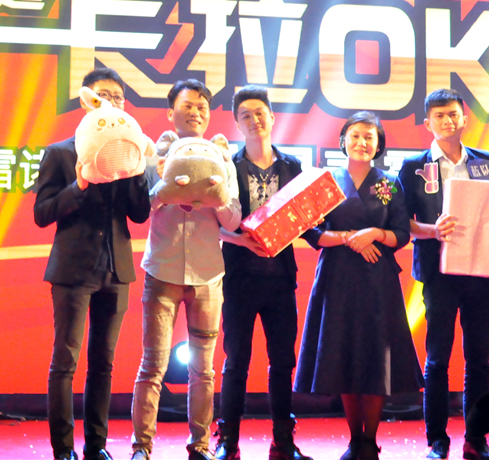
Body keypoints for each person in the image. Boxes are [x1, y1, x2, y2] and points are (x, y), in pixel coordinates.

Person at [34, 68, 151, 460]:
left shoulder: (130, 153)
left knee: (103, 364)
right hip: (73, 270)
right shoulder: (61, 153)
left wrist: (138, 172)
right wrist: (80, 184)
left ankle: (97, 447)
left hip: (116, 270)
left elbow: (139, 214)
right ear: (87, 102)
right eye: (103, 95)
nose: (112, 103)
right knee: (65, 362)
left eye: (118, 97)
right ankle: (63, 449)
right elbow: (42, 213)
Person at [295, 111, 422, 460]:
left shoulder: (389, 183)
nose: (362, 143)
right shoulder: (326, 181)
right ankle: (354, 439)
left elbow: (402, 234)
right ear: (342, 141)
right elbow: (312, 232)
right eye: (355, 136)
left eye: (369, 137)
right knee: (344, 357)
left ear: (379, 144)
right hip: (337, 281)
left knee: (376, 359)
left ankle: (370, 441)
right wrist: (352, 238)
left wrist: (376, 233)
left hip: (378, 283)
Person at [130, 80, 242, 460]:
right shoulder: (155, 157)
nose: (195, 112)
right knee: (152, 365)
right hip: (161, 271)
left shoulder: (221, 158)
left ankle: (200, 445)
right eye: (187, 106)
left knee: (203, 369)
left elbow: (234, 219)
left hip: (208, 274)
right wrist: (165, 188)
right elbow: (141, 208)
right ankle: (142, 447)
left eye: (202, 107)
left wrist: (216, 195)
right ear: (170, 112)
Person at [397, 88, 489, 460]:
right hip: (438, 274)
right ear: (428, 122)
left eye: (453, 114)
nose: (447, 120)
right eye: (439, 115)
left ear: (464, 119)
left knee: (479, 360)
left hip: (481, 271)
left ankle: (476, 439)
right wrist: (432, 230)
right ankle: (437, 440)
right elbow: (401, 222)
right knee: (438, 359)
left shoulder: (485, 161)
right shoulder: (413, 166)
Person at [215, 86, 312, 460]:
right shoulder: (228, 166)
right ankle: (228, 442)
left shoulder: (292, 166)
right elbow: (213, 223)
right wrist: (240, 241)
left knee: (283, 362)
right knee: (236, 361)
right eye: (245, 116)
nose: (254, 120)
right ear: (237, 124)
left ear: (272, 118)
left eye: (260, 113)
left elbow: (301, 220)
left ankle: (283, 442)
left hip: (280, 279)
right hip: (239, 277)